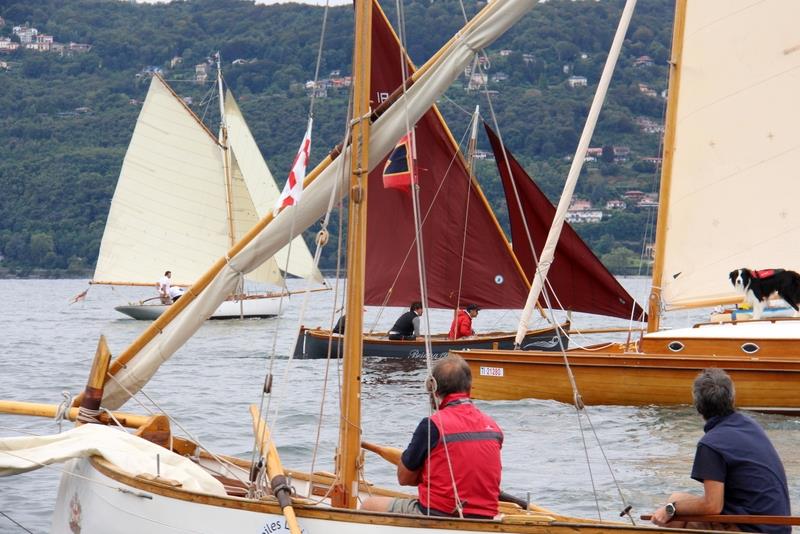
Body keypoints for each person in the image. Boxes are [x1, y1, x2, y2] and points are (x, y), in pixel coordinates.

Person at [361, 354, 503, 518]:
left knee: (369, 505)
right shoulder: (493, 427)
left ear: (432, 388)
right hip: (486, 517)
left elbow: (404, 478)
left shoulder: (432, 426)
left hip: (439, 513)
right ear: (469, 389)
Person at [650, 368, 790, 533]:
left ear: (698, 406)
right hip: (779, 528)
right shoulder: (750, 425)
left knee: (675, 514)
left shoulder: (710, 444)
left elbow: (712, 506)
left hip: (753, 529)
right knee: (677, 499)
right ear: (732, 399)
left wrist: (670, 510)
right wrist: (674, 505)